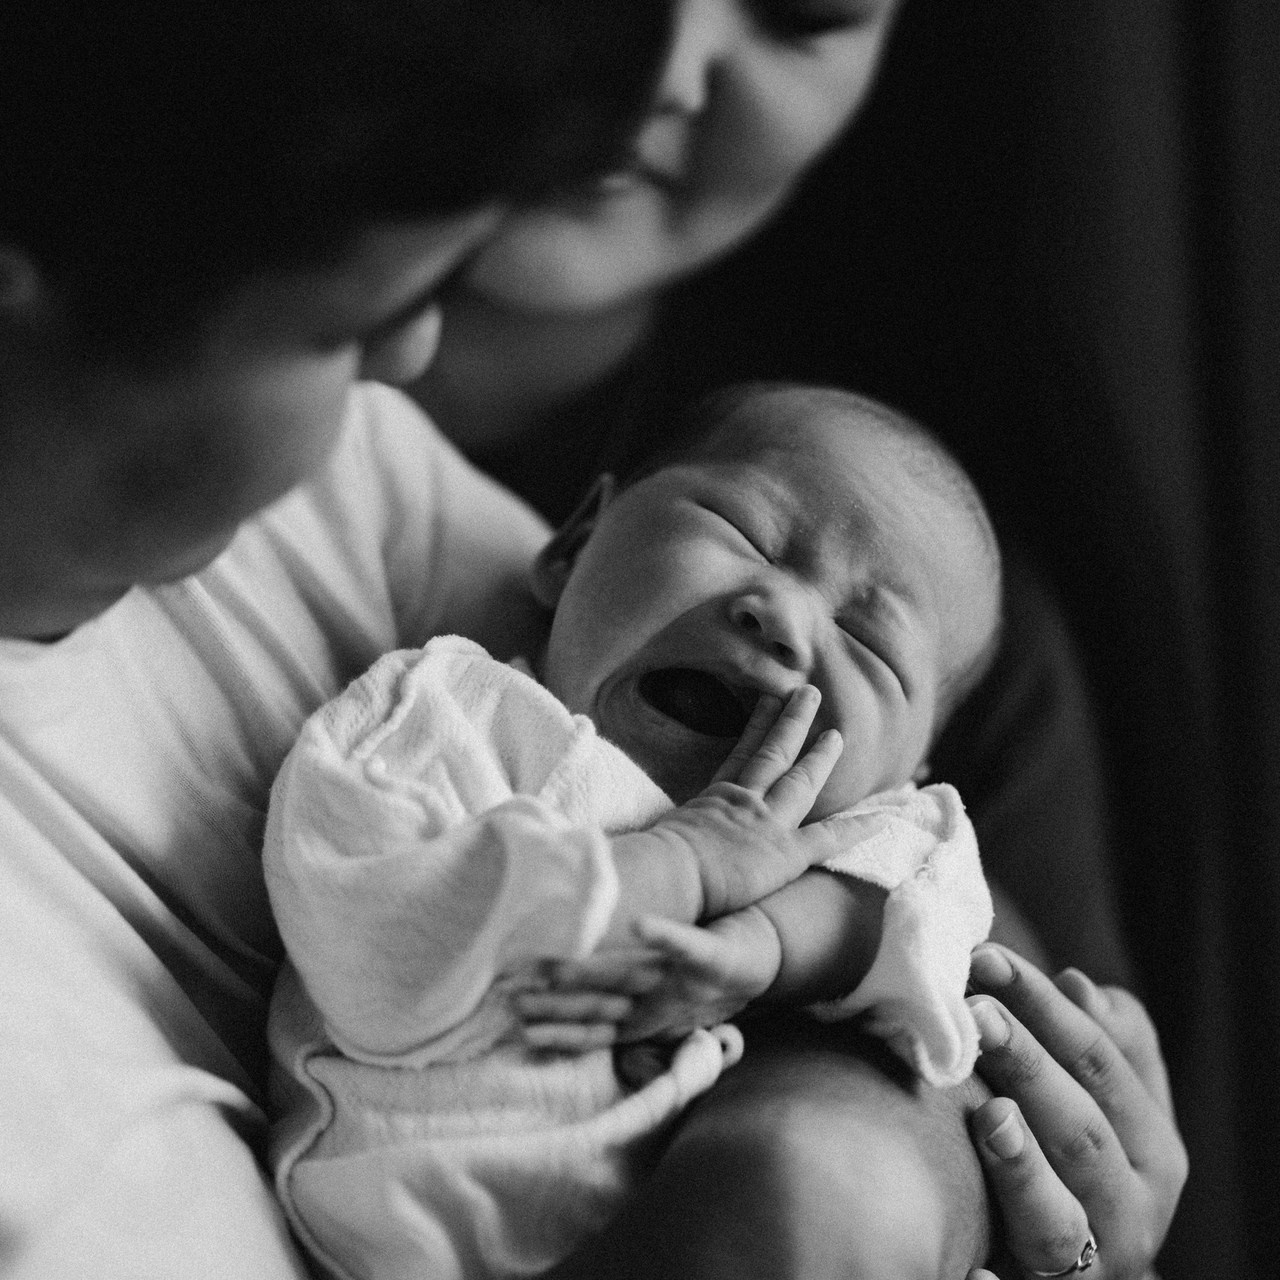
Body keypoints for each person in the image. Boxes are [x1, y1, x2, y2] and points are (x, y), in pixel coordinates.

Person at [0, 3, 1185, 1279]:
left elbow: (946, 923)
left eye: (801, 11)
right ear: (581, 536)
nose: (409, 352)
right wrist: (696, 894)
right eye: (349, 318)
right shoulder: (450, 700)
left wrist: (851, 1107)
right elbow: (384, 904)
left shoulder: (369, 497)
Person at [264, 383, 1000, 1279]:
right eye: (747, 535)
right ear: (575, 545)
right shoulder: (449, 716)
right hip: (402, 1232)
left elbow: (919, 921)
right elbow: (380, 948)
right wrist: (683, 865)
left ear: (912, 768)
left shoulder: (854, 826)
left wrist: (766, 946)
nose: (785, 618)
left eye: (870, 643)